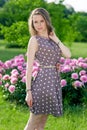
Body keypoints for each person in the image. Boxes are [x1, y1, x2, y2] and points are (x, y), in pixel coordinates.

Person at [24, 8, 71, 130]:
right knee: (32, 123)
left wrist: (56, 39)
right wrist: (28, 92)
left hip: (53, 82)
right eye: (35, 22)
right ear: (32, 24)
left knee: (41, 124)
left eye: (41, 21)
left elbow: (68, 54)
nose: (39, 25)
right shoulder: (34, 40)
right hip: (42, 83)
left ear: (46, 21)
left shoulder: (52, 38)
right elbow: (29, 69)